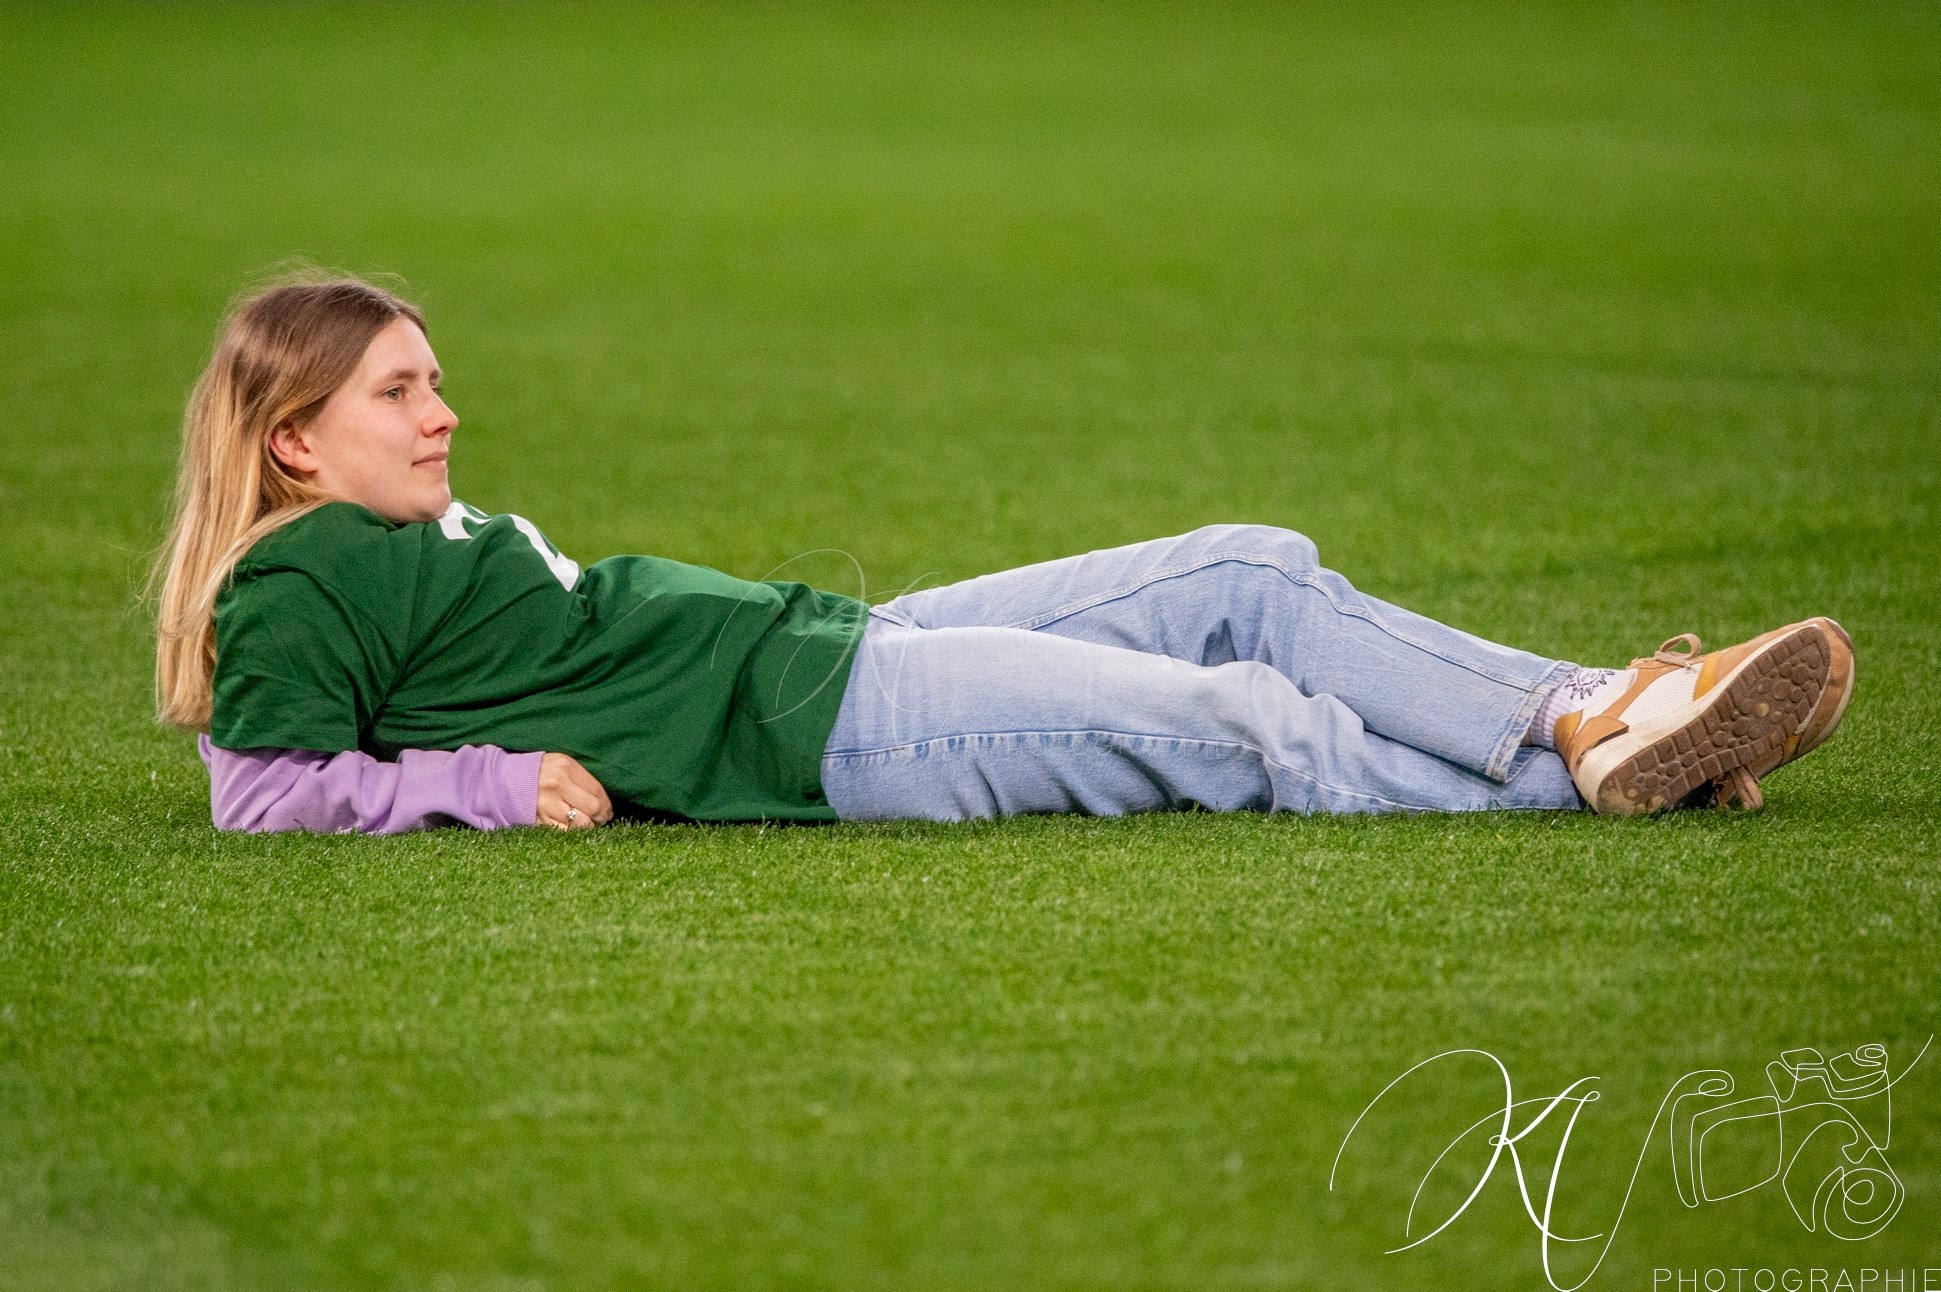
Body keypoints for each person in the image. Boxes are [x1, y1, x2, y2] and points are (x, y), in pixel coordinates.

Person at [148, 270, 1855, 834]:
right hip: (816, 734)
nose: (441, 410)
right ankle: (1608, 771)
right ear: (294, 437)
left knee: (1244, 568)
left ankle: (1584, 712)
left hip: (834, 642)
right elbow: (260, 789)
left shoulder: (399, 523)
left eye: (436, 376)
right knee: (1236, 720)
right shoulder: (295, 578)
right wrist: (495, 784)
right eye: (397, 390)